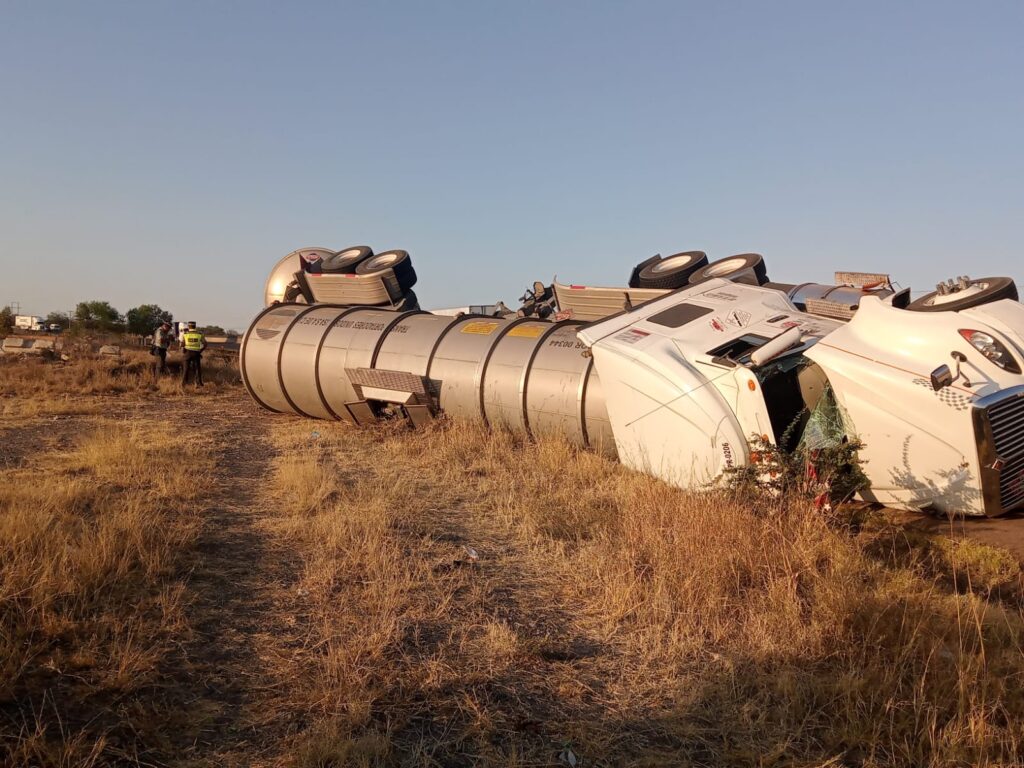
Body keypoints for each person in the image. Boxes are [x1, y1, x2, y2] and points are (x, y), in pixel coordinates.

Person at [181, 321, 207, 387]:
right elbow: (205, 344)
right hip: (196, 353)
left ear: (189, 327)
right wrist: (200, 351)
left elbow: (182, 344)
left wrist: (183, 350)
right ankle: (198, 383)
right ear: (195, 326)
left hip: (187, 353)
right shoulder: (199, 334)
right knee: (197, 369)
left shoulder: (185, 334)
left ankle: (184, 384)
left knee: (186, 369)